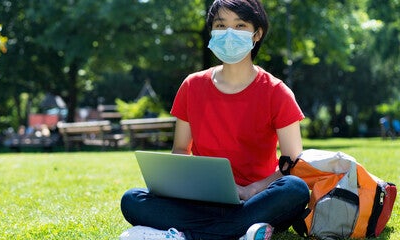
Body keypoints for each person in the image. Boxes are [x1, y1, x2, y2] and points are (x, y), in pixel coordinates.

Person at [119, 0, 310, 239]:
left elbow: (293, 164)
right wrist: (186, 187)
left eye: (240, 25)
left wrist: (251, 191)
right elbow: (180, 149)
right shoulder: (192, 85)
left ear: (257, 34)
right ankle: (239, 232)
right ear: (212, 32)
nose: (229, 33)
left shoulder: (277, 92)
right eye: (221, 25)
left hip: (256, 200)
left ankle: (188, 235)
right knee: (132, 199)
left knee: (295, 189)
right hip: (201, 200)